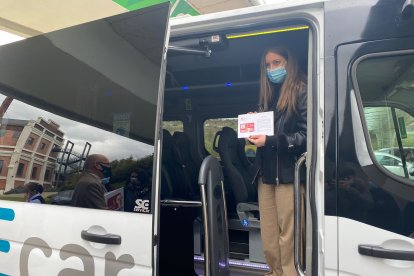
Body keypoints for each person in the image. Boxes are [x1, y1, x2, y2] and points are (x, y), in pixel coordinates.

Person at [248, 45, 307, 276]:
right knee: (270, 235)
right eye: (267, 65)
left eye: (277, 63)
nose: (271, 69)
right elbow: (267, 136)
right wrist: (255, 126)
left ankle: (290, 273)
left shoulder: (301, 89)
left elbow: (306, 137)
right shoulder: (269, 96)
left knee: (288, 236)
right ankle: (274, 272)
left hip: (288, 176)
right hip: (266, 175)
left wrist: (270, 140)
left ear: (289, 62)